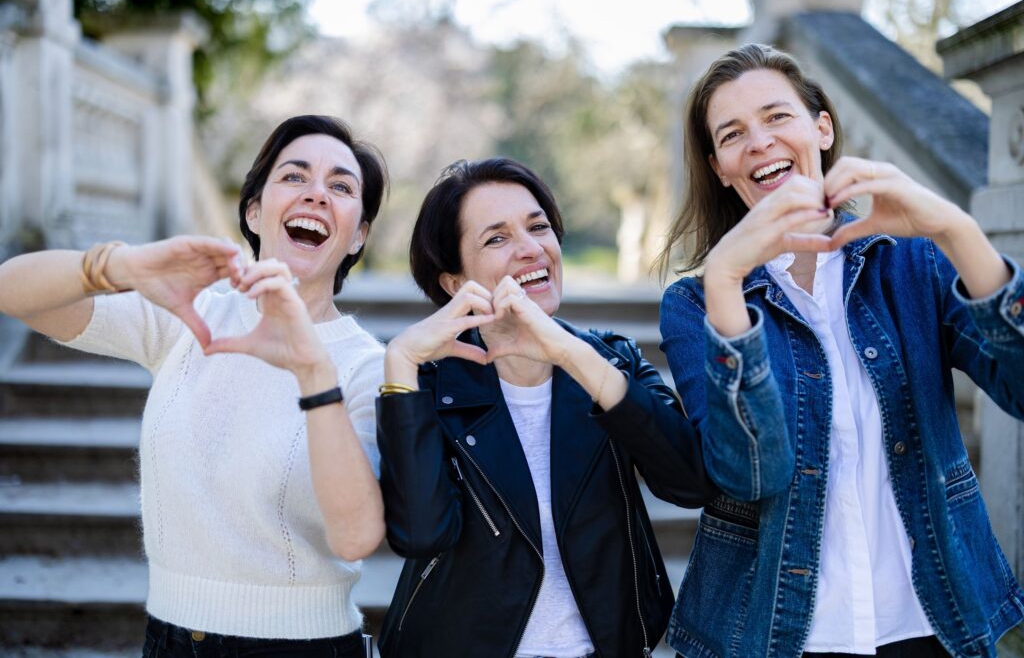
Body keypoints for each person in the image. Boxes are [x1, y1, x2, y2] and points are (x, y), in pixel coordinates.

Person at [657, 43, 1024, 658]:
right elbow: (750, 474)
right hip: (774, 633)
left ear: (820, 128)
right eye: (732, 133)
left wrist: (958, 232)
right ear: (720, 165)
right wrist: (725, 282)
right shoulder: (696, 303)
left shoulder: (909, 262)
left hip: (932, 620)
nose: (759, 142)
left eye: (778, 117)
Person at [0, 115, 390, 656]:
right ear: (255, 211)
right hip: (170, 638)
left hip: (305, 646)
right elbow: (13, 292)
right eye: (295, 177)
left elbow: (355, 537)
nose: (317, 194)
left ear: (358, 236)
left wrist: (312, 372)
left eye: (341, 187)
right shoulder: (195, 312)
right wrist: (118, 265)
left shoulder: (369, 367)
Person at [374, 157, 716, 657]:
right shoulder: (430, 386)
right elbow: (421, 533)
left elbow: (689, 482)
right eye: (497, 238)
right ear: (454, 282)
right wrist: (400, 360)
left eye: (539, 227)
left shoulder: (609, 362)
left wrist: (569, 354)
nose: (531, 248)